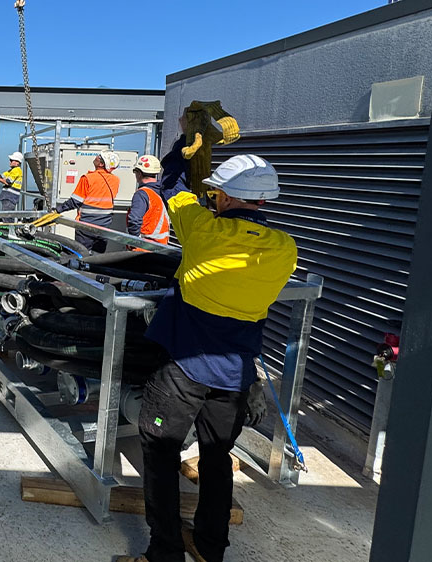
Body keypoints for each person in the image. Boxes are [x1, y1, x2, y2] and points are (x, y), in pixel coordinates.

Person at [117, 154, 297, 562]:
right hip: (236, 375)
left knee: (160, 452)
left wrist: (186, 150)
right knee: (216, 458)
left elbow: (169, 187)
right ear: (264, 199)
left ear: (226, 196)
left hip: (185, 370)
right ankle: (209, 546)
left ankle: (164, 552)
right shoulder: (285, 249)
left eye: (217, 193)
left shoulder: (203, 230)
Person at [54, 150, 121, 254]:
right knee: (98, 258)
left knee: (81, 255)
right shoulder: (116, 180)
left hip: (86, 225)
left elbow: (75, 202)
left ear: (101, 164)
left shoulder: (88, 178)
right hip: (104, 226)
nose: (96, 156)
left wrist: (57, 210)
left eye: (99, 156)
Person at [126, 155, 170, 248]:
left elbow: (134, 219)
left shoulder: (142, 194)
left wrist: (133, 241)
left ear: (139, 173)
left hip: (144, 246)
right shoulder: (163, 191)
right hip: (161, 246)